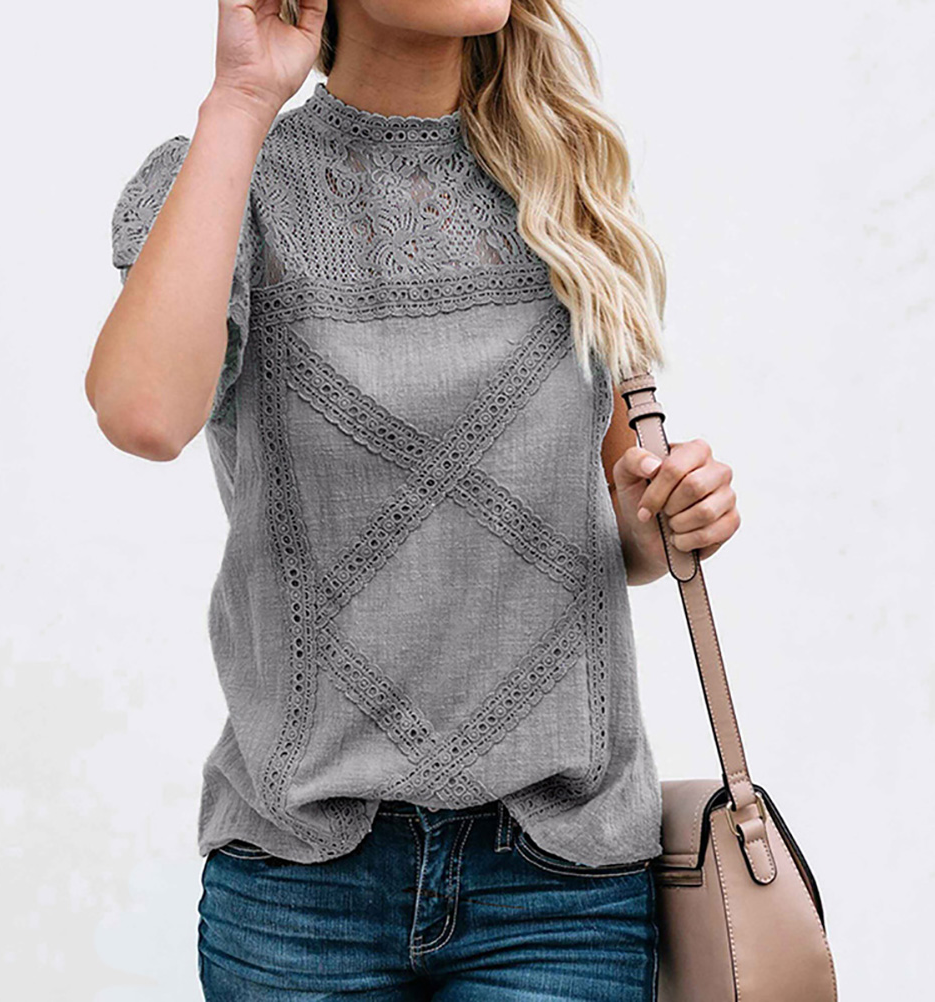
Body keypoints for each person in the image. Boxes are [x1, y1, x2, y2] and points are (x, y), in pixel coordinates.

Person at [86, 1, 741, 998]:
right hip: (302, 884)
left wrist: (664, 519)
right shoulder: (233, 185)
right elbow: (143, 415)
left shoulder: (566, 186)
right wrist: (241, 100)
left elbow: (618, 530)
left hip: (560, 884)